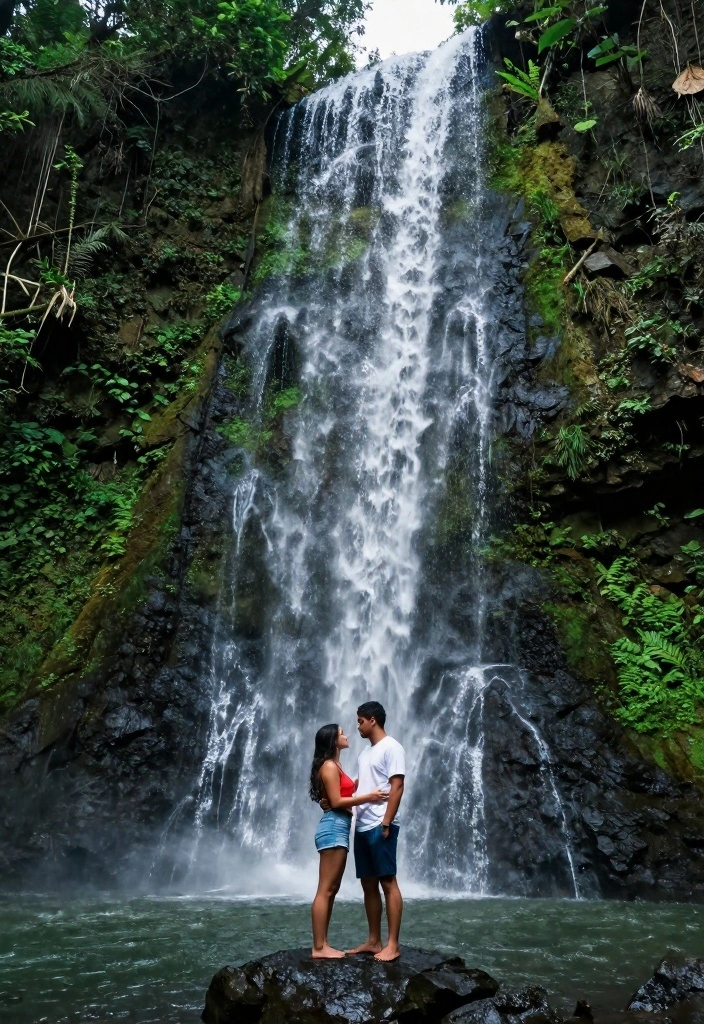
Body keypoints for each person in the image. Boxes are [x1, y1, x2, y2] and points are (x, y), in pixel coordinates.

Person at [309, 723, 388, 959]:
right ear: (333, 740)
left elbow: (335, 796)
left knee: (331, 889)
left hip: (338, 827)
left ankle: (322, 943)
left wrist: (360, 783)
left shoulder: (335, 766)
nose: (346, 735)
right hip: (333, 827)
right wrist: (369, 797)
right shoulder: (330, 766)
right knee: (326, 889)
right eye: (342, 733)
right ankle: (319, 947)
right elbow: (336, 801)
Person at [347, 700, 406, 962]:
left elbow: (397, 786)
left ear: (372, 720)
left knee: (387, 881)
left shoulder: (392, 747)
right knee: (368, 883)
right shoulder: (364, 754)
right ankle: (374, 940)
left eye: (360, 721)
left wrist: (386, 822)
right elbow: (364, 785)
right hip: (362, 824)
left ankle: (392, 944)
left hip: (381, 824)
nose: (357, 726)